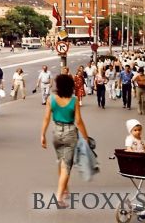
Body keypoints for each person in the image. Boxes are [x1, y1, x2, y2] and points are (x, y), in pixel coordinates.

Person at [40, 74, 89, 208]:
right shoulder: (73, 100)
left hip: (56, 132)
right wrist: (86, 137)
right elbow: (78, 121)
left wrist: (42, 135)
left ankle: (65, 189)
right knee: (67, 166)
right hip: (70, 133)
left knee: (61, 161)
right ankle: (59, 197)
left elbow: (46, 118)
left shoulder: (51, 99)